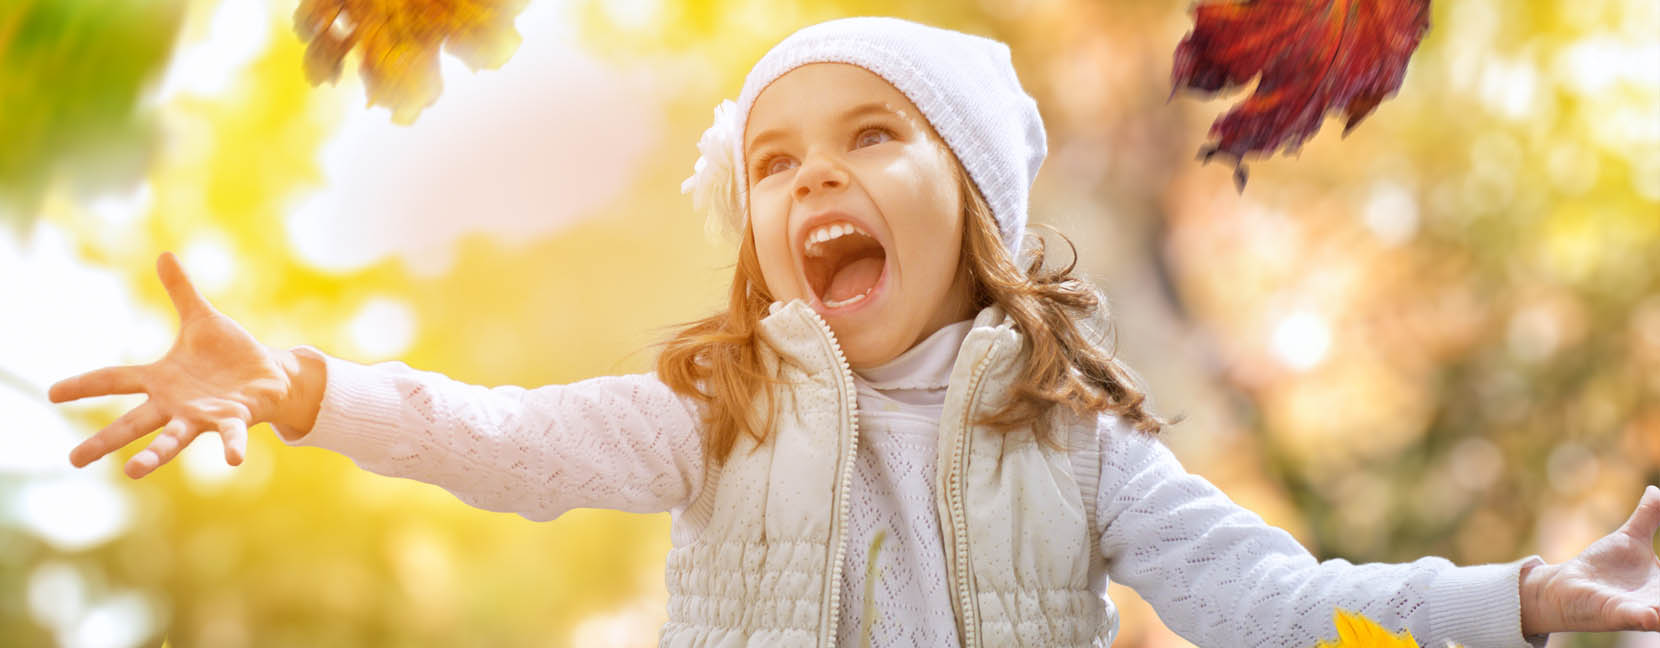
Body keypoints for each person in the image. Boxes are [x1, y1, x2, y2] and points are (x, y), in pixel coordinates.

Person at [48, 16, 1658, 648]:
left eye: (874, 136)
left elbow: (1284, 604)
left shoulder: (1079, 445)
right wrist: (304, 382)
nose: (814, 172)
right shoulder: (721, 409)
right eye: (773, 159)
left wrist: (1516, 597)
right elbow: (508, 444)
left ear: (976, 196)